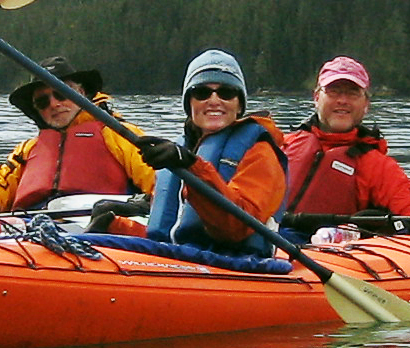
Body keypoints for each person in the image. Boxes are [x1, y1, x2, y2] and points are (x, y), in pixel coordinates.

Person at [120, 49, 288, 256]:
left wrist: (192, 167)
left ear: (239, 105)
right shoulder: (181, 149)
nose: (214, 100)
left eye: (226, 92)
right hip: (178, 257)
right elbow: (169, 231)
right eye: (201, 93)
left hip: (237, 262)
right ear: (189, 103)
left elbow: (236, 226)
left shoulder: (260, 152)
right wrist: (116, 225)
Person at [0, 57, 155, 220]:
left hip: (100, 226)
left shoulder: (121, 135)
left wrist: (143, 205)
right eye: (42, 101)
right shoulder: (27, 150)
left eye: (61, 94)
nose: (53, 104)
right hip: (29, 227)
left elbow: (158, 182)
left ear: (81, 93)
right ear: (37, 109)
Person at [278, 55, 410, 233]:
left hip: (326, 247)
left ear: (366, 104)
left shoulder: (377, 167)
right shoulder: (281, 147)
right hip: (268, 242)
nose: (342, 100)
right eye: (334, 91)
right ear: (316, 98)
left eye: (352, 93)